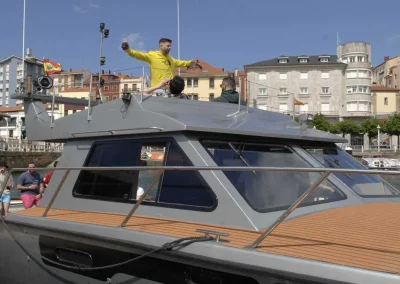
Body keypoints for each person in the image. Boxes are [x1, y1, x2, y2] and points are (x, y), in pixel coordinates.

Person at [121, 38, 201, 95]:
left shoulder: (171, 59)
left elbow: (181, 62)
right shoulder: (152, 55)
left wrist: (190, 63)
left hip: (170, 91)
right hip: (157, 90)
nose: (170, 48)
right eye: (168, 46)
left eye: (170, 46)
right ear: (161, 45)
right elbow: (138, 55)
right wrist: (128, 50)